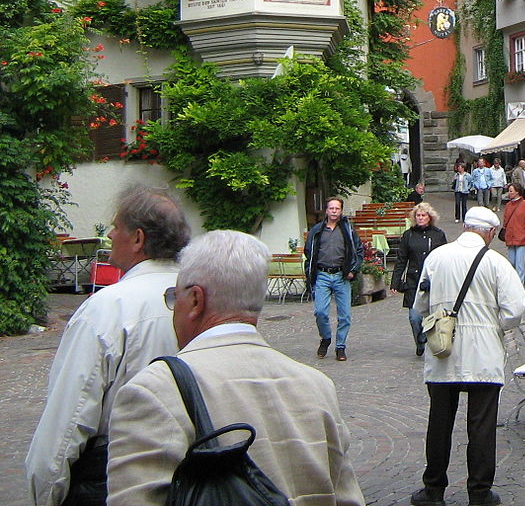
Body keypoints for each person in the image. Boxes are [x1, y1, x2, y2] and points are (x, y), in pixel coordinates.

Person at [106, 230, 364, 506]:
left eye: (174, 296)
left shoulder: (152, 392)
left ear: (195, 300)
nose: (173, 307)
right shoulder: (317, 385)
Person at [26, 184, 190, 506]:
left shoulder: (108, 307)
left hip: (116, 477)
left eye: (116, 227)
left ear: (138, 239)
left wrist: (44, 494)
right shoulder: (200, 296)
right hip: (193, 472)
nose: (110, 235)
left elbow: (68, 421)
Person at [410, 206, 525, 506]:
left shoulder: (437, 257)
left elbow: (420, 305)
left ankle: (433, 489)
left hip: (442, 350)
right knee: (482, 427)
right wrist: (493, 327)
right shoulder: (496, 262)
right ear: (488, 233)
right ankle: (479, 491)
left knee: (439, 423)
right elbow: (515, 308)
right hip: (483, 354)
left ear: (465, 227)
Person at [304, 197, 364, 362]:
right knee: (320, 312)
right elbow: (308, 252)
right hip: (322, 274)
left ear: (341, 211)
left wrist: (353, 270)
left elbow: (359, 251)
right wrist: (310, 272)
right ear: (326, 210)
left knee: (345, 315)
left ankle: (340, 346)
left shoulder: (348, 230)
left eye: (337, 208)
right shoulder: (317, 230)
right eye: (331, 208)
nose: (334, 211)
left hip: (341, 275)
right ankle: (326, 338)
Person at [391, 202, 448, 356]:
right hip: (413, 280)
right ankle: (420, 340)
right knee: (414, 317)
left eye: (423, 215)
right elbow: (402, 259)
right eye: (418, 215)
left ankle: (431, 340)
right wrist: (395, 281)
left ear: (430, 217)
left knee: (432, 314)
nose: (421, 218)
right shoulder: (408, 235)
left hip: (433, 281)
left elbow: (444, 259)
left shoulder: (438, 234)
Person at [501, 181, 525, 283]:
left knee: (519, 264)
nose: (509, 193)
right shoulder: (508, 205)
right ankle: (521, 279)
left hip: (522, 238)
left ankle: (519, 286)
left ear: (517, 192)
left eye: (511, 191)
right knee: (512, 263)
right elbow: (505, 220)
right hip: (510, 238)